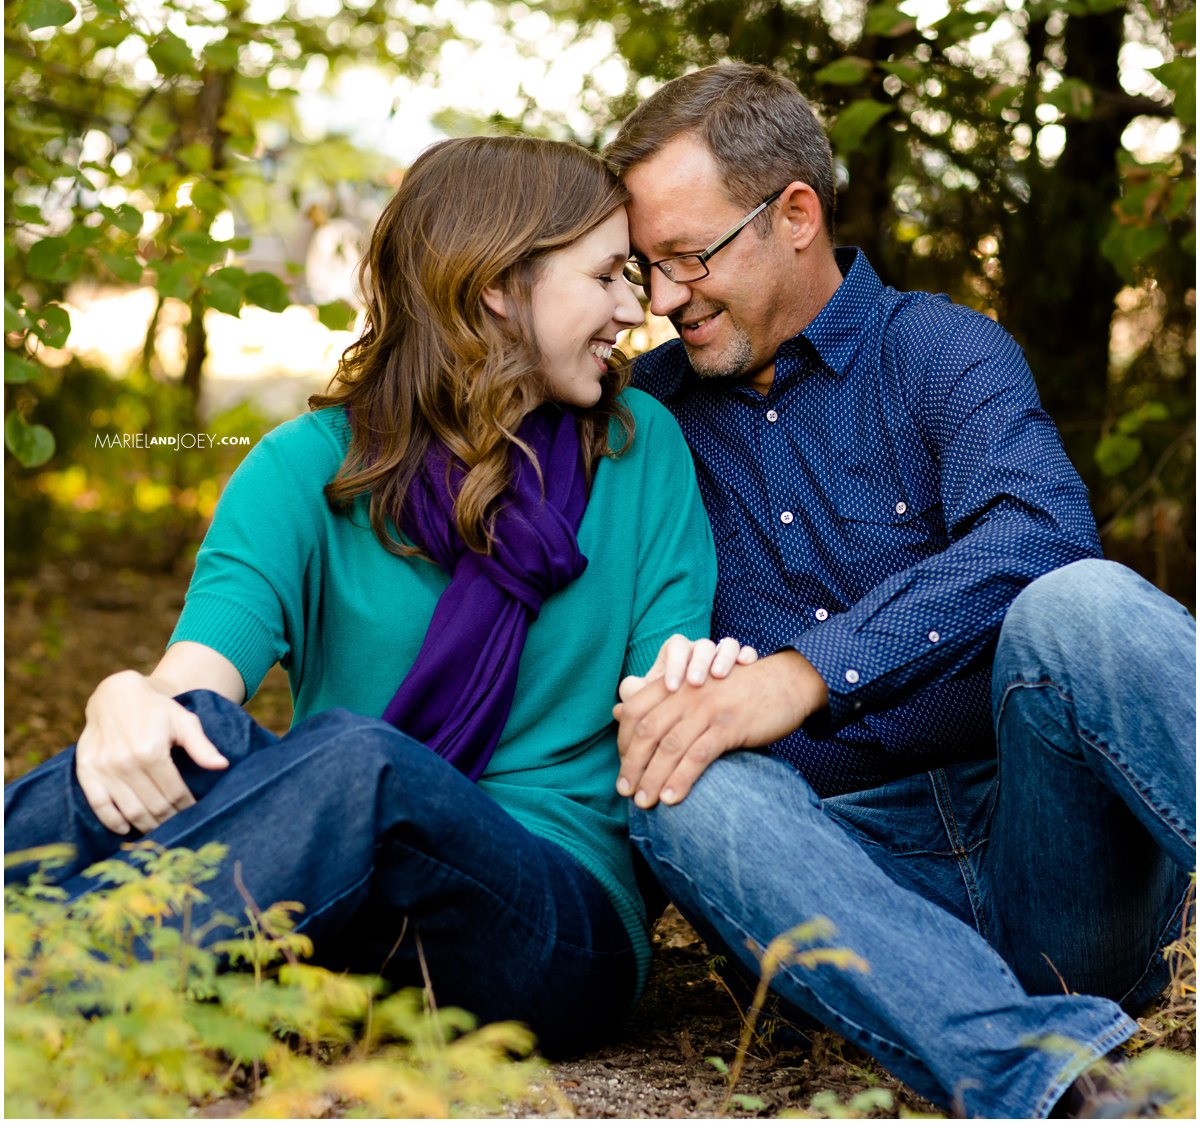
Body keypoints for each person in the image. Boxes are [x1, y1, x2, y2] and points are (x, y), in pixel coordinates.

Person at [3, 135, 748, 1058]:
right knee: (199, 734)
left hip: (553, 916)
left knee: (364, 760)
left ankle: (36, 994)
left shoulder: (643, 447)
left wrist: (701, 679)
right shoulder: (308, 468)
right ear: (496, 287)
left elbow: (662, 707)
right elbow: (196, 686)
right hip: (335, 882)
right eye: (606, 278)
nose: (636, 310)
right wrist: (124, 701)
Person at [605, 63, 1196, 1118]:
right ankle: (1055, 1087)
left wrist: (802, 676)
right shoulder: (643, 421)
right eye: (646, 267)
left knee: (1085, 606)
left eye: (689, 257)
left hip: (1052, 864)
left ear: (795, 215)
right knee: (677, 777)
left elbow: (1039, 533)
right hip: (836, 889)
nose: (663, 301)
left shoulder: (941, 349)